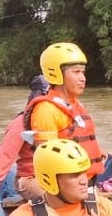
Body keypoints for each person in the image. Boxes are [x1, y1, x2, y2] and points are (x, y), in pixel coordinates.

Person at [23, 42, 106, 192]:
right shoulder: (46, 109)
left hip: (86, 182)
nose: (83, 78)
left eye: (83, 72)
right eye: (76, 72)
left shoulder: (75, 104)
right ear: (56, 74)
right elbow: (48, 160)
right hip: (65, 189)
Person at [0, 75, 50, 204]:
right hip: (29, 180)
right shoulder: (21, 123)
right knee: (58, 198)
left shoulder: (64, 120)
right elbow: (5, 156)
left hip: (58, 179)